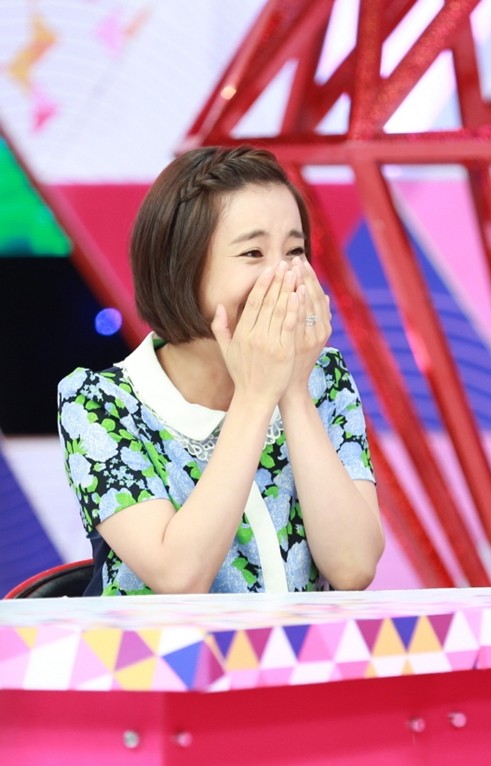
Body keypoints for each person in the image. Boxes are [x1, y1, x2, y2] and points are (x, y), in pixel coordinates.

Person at [57, 145, 384, 596]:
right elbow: (179, 576)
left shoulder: (323, 375)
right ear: (181, 267)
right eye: (253, 253)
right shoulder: (99, 403)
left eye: (294, 250)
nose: (284, 276)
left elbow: (353, 567)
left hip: (301, 645)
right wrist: (254, 396)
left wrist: (293, 390)